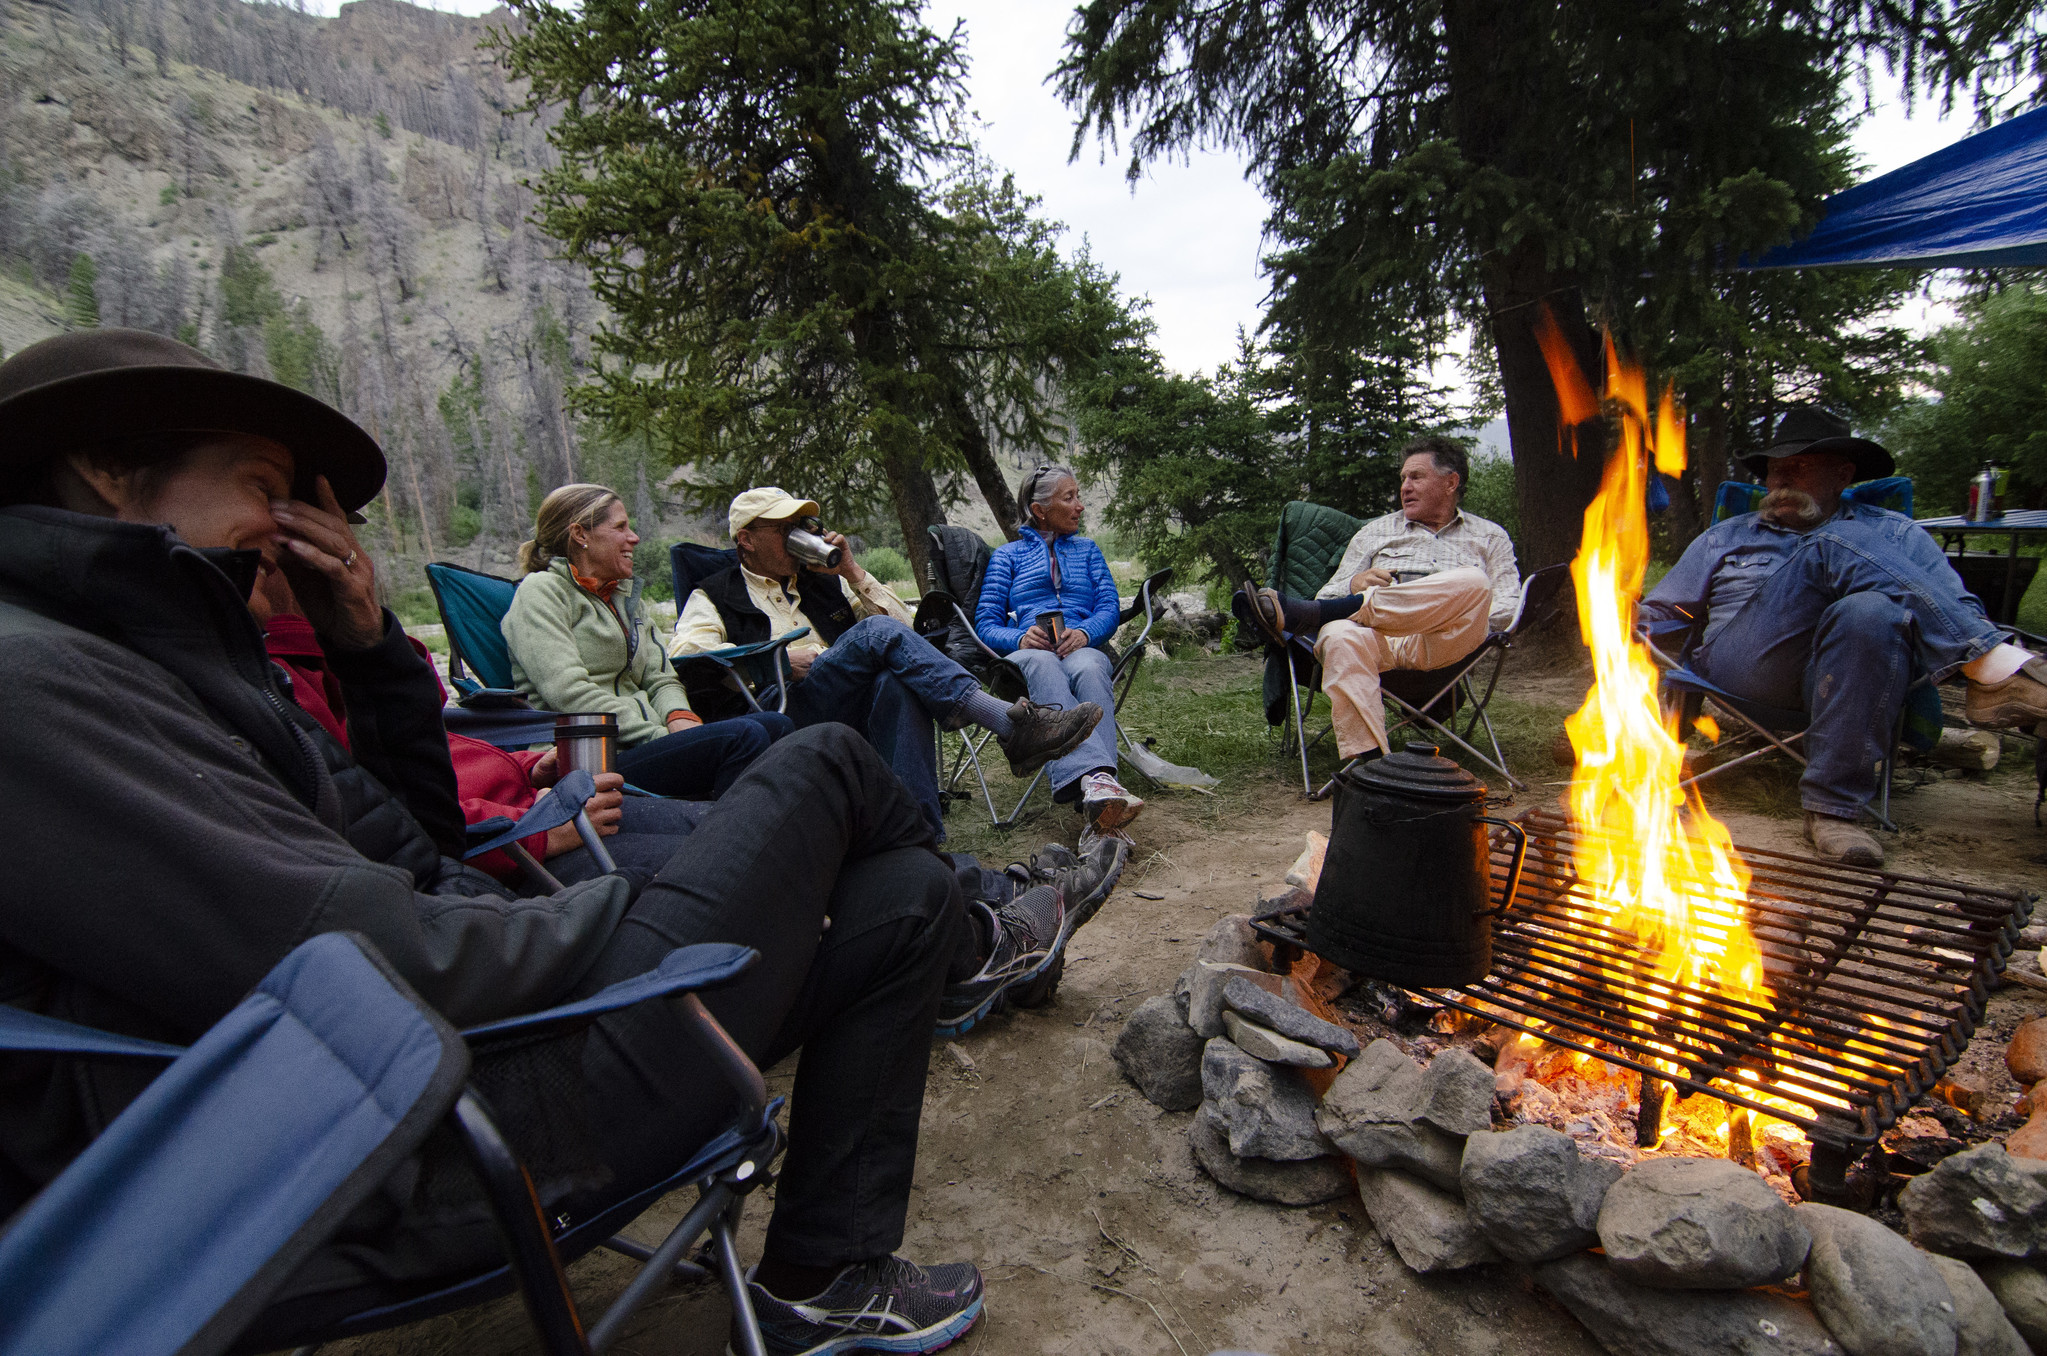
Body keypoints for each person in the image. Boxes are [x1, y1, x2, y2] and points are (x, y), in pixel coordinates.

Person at [0, 329, 1035, 1353]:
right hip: (418, 1141)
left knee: (902, 891)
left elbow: (409, 848)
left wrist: (367, 651)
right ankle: (982, 940)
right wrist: (621, 914)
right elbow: (366, 952)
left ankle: (821, 1281)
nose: (286, 526)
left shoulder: (165, 668)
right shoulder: (39, 689)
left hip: (457, 1072)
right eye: (261, 485)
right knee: (824, 766)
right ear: (107, 464)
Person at [1642, 405, 2047, 867]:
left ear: (1843, 474)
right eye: (1775, 470)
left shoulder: (1896, 533)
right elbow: (1661, 611)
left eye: (1799, 468)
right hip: (1748, 666)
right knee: (1831, 542)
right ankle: (1992, 668)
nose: (1780, 481)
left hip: (1855, 675)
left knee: (1870, 610)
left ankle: (1832, 812)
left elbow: (1960, 609)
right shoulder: (1727, 536)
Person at [671, 486, 1104, 837]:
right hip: (781, 708)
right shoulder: (714, 593)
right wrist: (777, 660)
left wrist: (853, 575)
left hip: (846, 702)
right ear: (746, 539)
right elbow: (690, 659)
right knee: (874, 637)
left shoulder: (821, 584)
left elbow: (905, 630)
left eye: (800, 525)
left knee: (896, 681)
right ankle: (1009, 725)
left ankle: (920, 840)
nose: (796, 534)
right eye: (783, 527)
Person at [1234, 436, 1521, 765]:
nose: (1405, 487)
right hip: (1377, 637)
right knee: (1337, 635)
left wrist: (1436, 607)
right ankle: (1371, 766)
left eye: (1416, 477)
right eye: (1402, 479)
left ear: (1450, 482)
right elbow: (1327, 595)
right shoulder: (1375, 533)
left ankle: (1305, 612)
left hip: (1444, 642)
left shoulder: (1490, 536)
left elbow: (1505, 611)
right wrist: (1355, 583)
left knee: (1475, 583)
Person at [502, 482, 792, 800]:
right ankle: (726, 838)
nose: (634, 538)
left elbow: (661, 677)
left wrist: (680, 717)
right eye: (620, 527)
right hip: (591, 757)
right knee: (745, 736)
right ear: (580, 535)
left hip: (647, 742)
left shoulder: (627, 599)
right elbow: (569, 693)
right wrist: (659, 736)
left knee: (776, 725)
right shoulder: (542, 592)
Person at [975, 465, 1143, 845]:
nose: (1080, 506)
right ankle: (1098, 781)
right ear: (1039, 510)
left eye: (1078, 496)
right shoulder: (1007, 557)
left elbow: (1108, 608)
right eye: (1069, 498)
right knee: (1043, 662)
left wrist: (1085, 633)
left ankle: (1098, 791)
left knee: (1088, 666)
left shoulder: (1088, 550)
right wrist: (1020, 638)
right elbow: (985, 622)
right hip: (1030, 655)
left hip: (1080, 646)